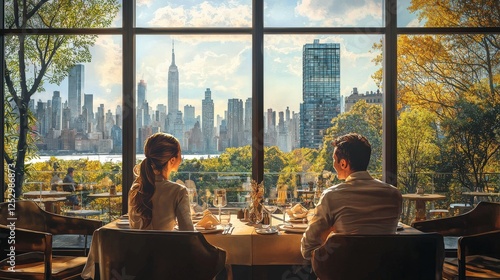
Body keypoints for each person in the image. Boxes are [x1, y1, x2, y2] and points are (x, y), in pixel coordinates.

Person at [301, 133, 402, 260]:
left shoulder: (331, 196)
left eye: (333, 159)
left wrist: (330, 234)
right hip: (384, 273)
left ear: (343, 164)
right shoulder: (394, 195)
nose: (333, 165)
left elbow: (307, 248)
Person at [128, 132, 194, 231]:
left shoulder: (136, 189)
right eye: (180, 153)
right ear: (172, 160)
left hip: (136, 246)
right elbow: (188, 234)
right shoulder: (178, 191)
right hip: (164, 246)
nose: (181, 159)